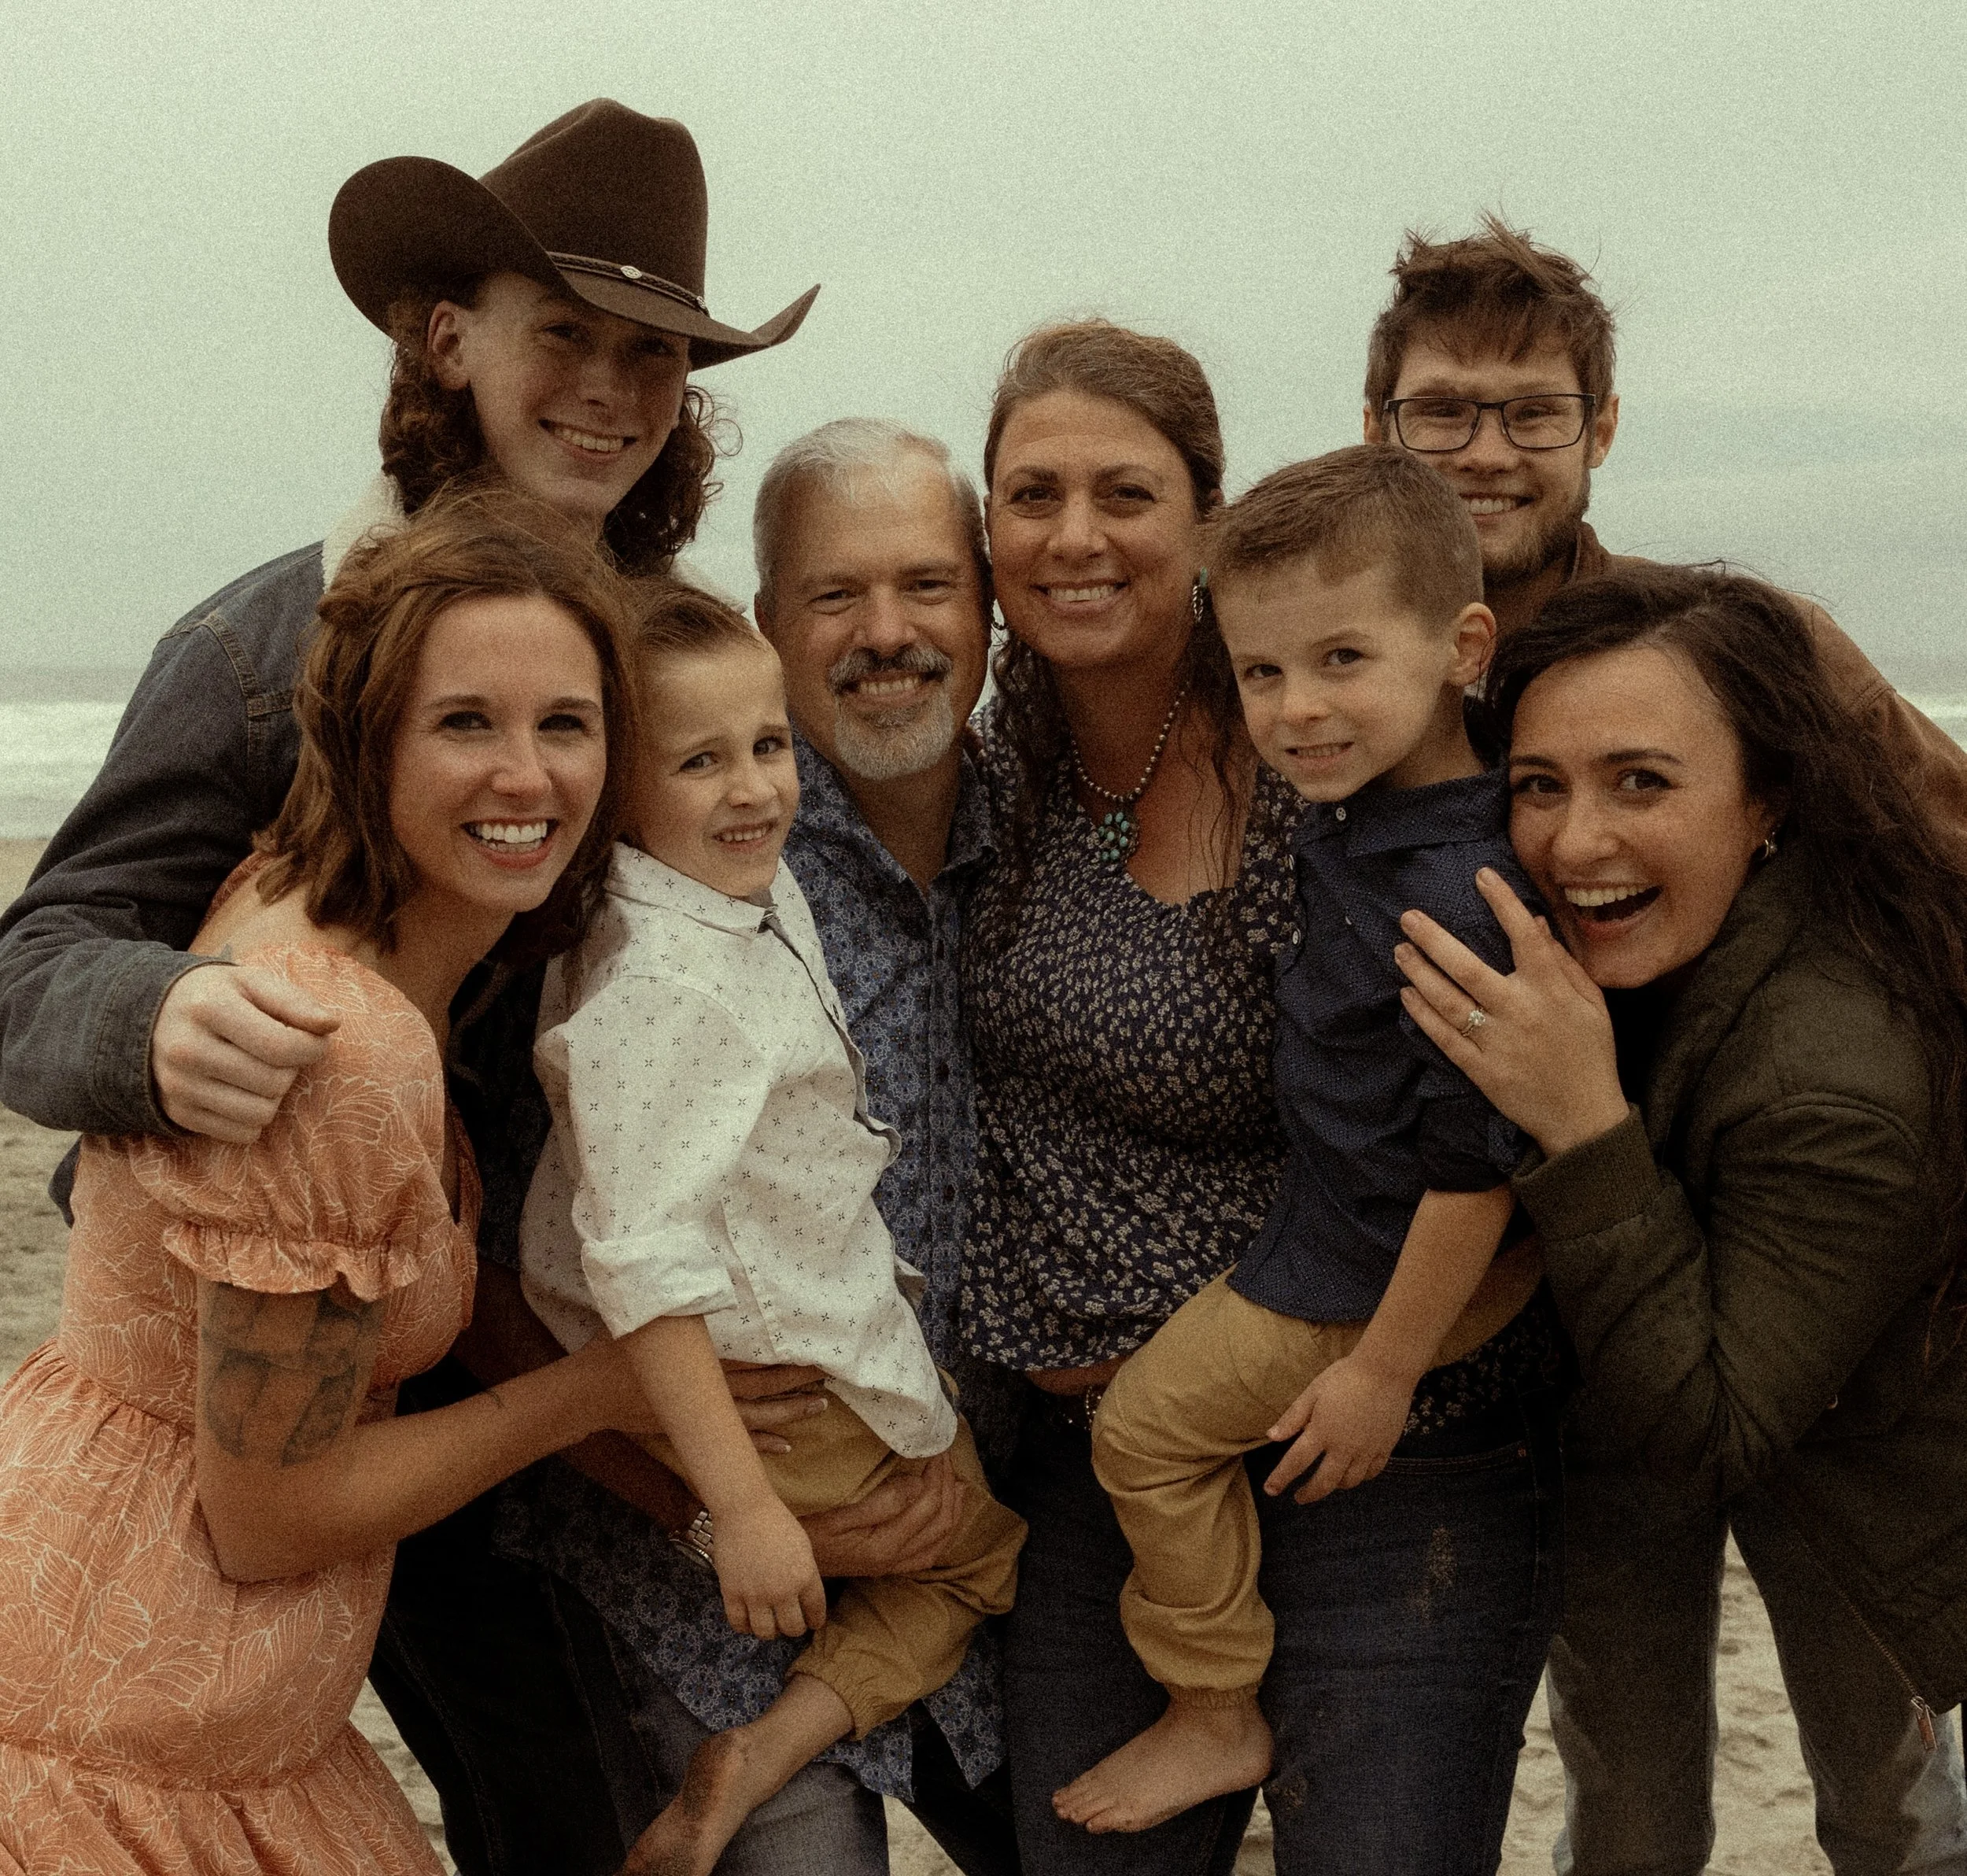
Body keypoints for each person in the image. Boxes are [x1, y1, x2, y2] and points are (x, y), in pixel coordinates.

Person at [961, 319, 1564, 1876]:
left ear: (1204, 524)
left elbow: (1489, 1114)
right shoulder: (988, 767)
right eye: (1030, 493)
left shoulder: (1347, 776)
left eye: (1126, 492)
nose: (1076, 535)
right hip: (1103, 1473)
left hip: (1382, 1441)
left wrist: (1409, 1340)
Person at [0, 493, 663, 1874]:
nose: (526, 776)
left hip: (174, 1676)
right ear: (368, 738)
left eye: (566, 722)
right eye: (464, 721)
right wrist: (593, 1391)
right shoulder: (344, 1043)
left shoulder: (294, 885)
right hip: (127, 1717)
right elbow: (271, 1514)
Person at [490, 419, 1023, 1876]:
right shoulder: (669, 904)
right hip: (706, 1517)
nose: (889, 631)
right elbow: (535, 1260)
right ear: (773, 616)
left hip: (901, 1438)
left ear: (988, 607)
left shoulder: (1025, 831)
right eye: (837, 594)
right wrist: (706, 1504)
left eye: (930, 584)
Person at [1395, 564, 1967, 1875]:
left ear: (1767, 801)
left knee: (1889, 1808)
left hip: (1862, 1452)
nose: (1576, 837)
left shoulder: (1838, 1069)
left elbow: (1716, 1424)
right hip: (1639, 1374)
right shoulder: (1630, 926)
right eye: (1538, 783)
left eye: (1642, 781)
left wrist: (1585, 1125)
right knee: (1624, 1794)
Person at [1360, 216, 1967, 817]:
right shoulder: (1294, 669)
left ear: (1601, 432)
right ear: (1375, 433)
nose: (1488, 455)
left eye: (1535, 412)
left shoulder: (1754, 651)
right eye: (1441, 411)